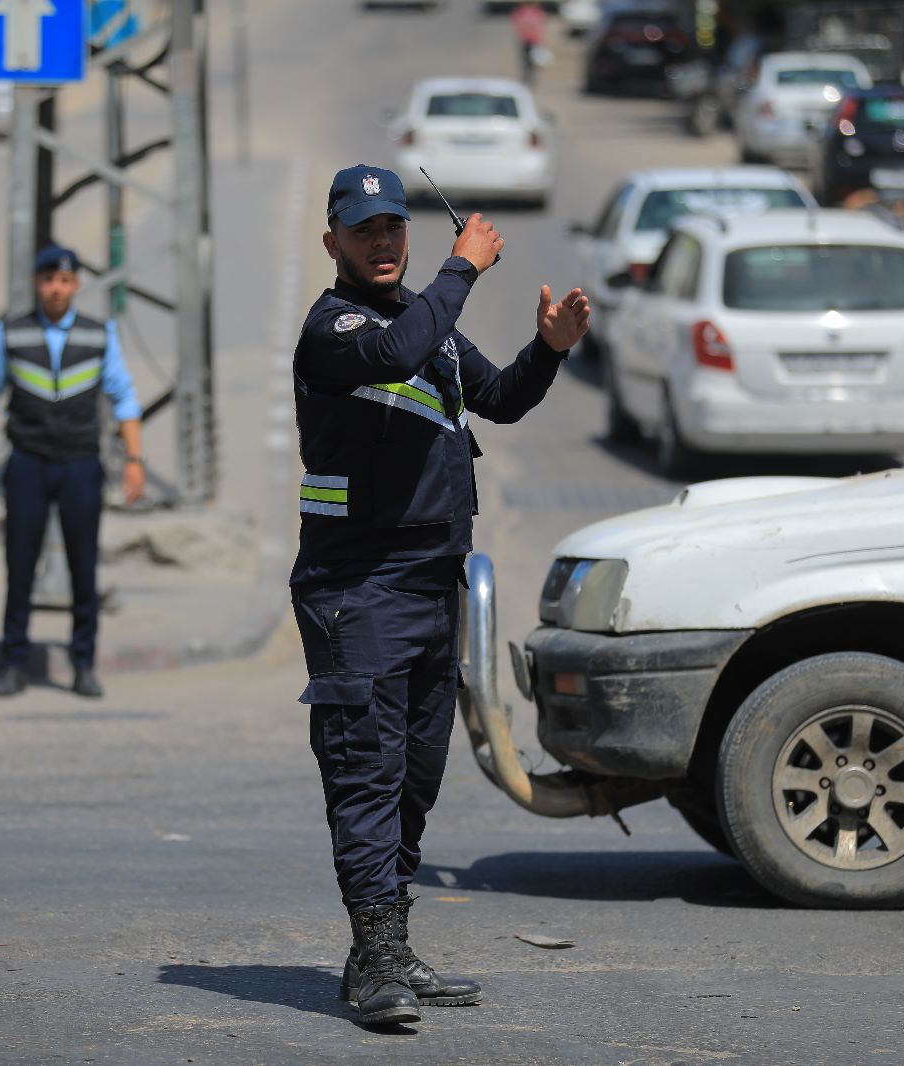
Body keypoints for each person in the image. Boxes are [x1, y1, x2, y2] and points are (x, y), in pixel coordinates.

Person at [291, 165, 589, 1026]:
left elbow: (498, 399)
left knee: (417, 776)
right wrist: (462, 269)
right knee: (366, 774)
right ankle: (378, 956)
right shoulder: (337, 327)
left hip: (432, 585)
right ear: (334, 244)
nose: (383, 243)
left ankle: (384, 949)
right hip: (358, 589)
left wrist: (551, 348)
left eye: (393, 228)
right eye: (364, 231)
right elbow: (392, 354)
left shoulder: (425, 321)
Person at [0, 244, 145, 698]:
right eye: (49, 280)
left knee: (83, 565)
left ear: (76, 285)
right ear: (37, 282)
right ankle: (13, 661)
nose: (56, 288)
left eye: (65, 281)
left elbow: (124, 398)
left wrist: (134, 460)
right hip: (27, 461)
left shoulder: (98, 334)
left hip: (80, 463)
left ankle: (83, 662)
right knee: (20, 565)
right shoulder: (10, 333)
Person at [511, 0, 546, 85]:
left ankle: (530, 78)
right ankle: (527, 78)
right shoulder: (522, 11)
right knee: (526, 60)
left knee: (532, 60)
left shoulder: (535, 11)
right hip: (526, 39)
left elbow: (540, 23)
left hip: (533, 39)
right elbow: (516, 21)